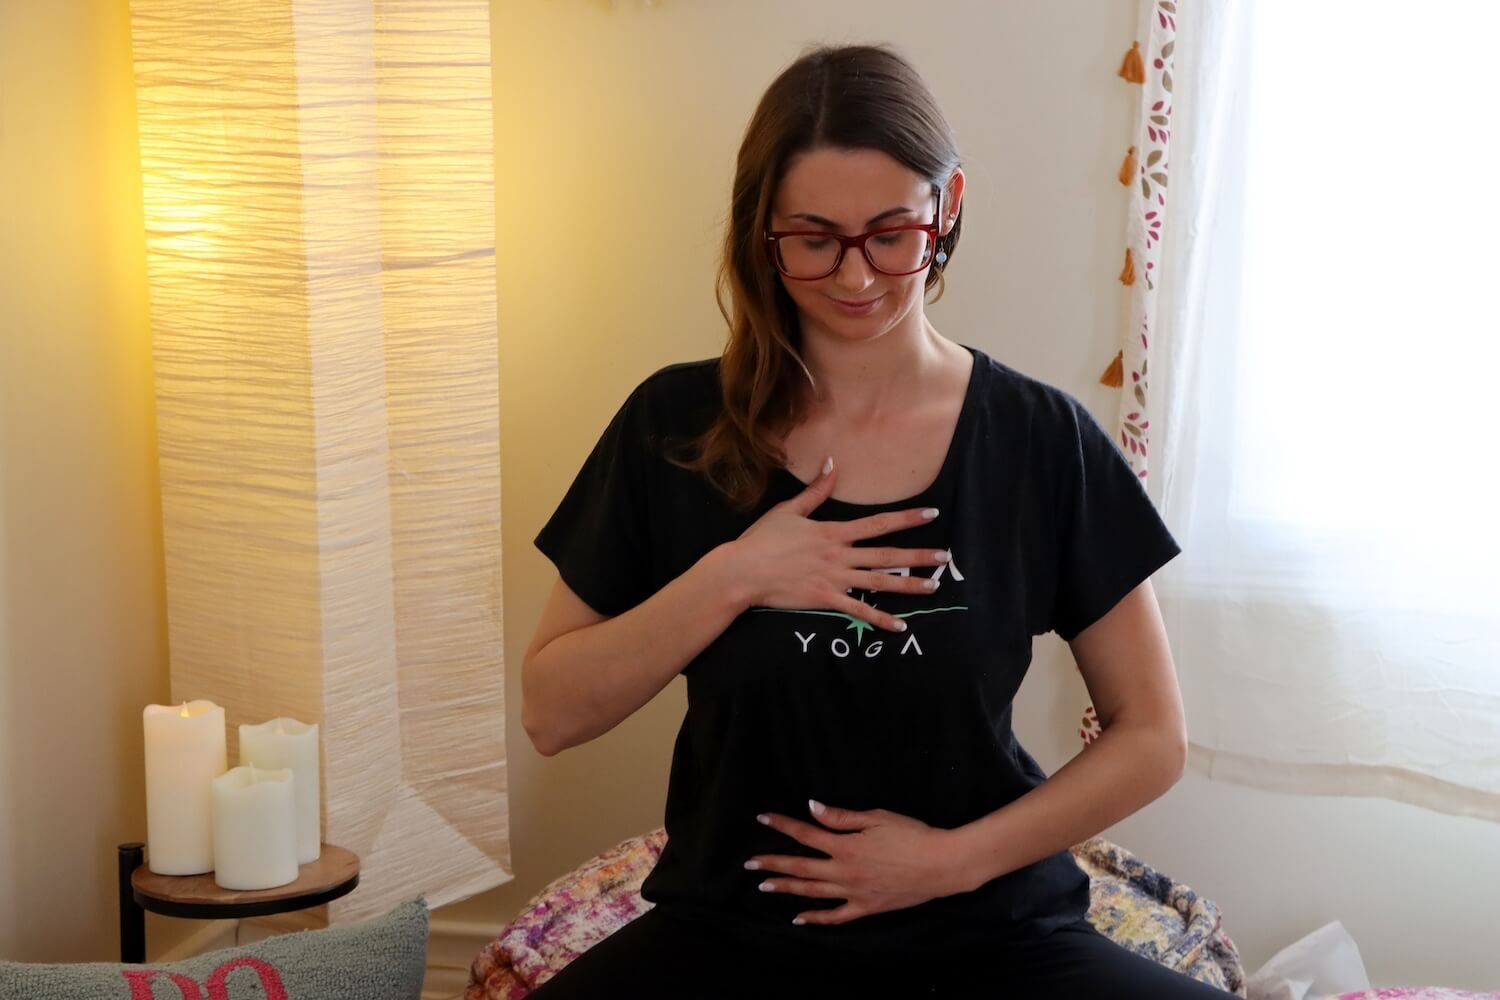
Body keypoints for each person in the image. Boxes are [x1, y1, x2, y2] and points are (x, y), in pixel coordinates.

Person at [521, 43, 1232, 999]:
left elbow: (1152, 737)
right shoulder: (673, 425)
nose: (856, 276)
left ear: (948, 208)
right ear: (759, 231)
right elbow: (552, 711)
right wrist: (735, 575)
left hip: (989, 928)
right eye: (813, 238)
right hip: (733, 933)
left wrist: (951, 862)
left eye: (890, 233)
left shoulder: (1039, 438)